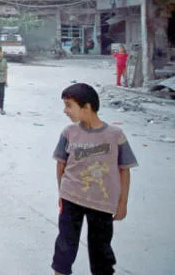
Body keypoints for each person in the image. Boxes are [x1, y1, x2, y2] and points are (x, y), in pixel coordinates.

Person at [52, 83, 138, 275]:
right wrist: (61, 193)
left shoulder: (115, 136)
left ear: (87, 107)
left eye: (69, 105)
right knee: (65, 246)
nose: (65, 111)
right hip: (71, 198)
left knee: (101, 252)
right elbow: (61, 164)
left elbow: (124, 170)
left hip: (102, 203)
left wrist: (122, 203)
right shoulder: (69, 132)